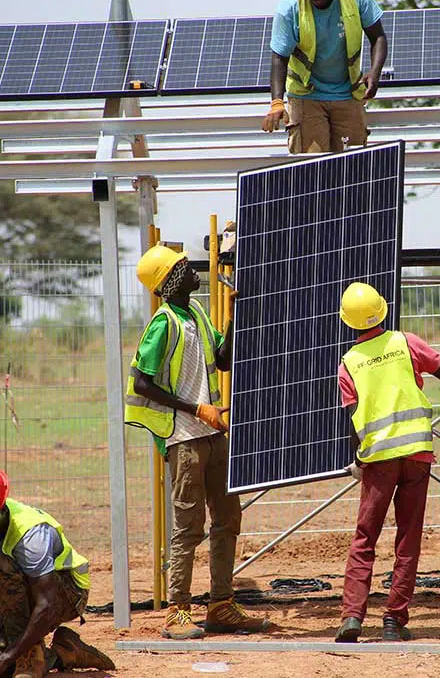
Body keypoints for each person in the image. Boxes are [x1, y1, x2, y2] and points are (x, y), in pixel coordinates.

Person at [126, 245, 271, 640]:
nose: (195, 270)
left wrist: (236, 315)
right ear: (170, 279)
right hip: (185, 439)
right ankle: (177, 611)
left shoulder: (199, 314)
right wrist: (196, 409)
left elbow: (223, 360)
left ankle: (221, 605)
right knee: (188, 526)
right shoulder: (164, 323)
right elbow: (141, 381)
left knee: (227, 520)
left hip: (213, 434)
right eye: (185, 267)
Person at [334, 282, 440, 643]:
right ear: (382, 311)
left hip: (378, 462)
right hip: (417, 456)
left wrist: (357, 459)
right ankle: (394, 621)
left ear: (349, 323)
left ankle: (352, 618)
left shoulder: (349, 365)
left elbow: (353, 421)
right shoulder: (406, 342)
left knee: (364, 538)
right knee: (408, 539)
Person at [0, 466, 115, 678]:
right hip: (20, 604)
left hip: (67, 593)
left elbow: (45, 605)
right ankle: (66, 652)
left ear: (1, 510)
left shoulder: (31, 535)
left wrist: (9, 656)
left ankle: (30, 660)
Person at [262, 0, 388, 153]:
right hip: (306, 96)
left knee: (352, 167)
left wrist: (375, 73)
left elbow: (378, 37)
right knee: (312, 167)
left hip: (348, 93)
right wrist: (277, 103)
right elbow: (279, 57)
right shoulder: (289, 8)